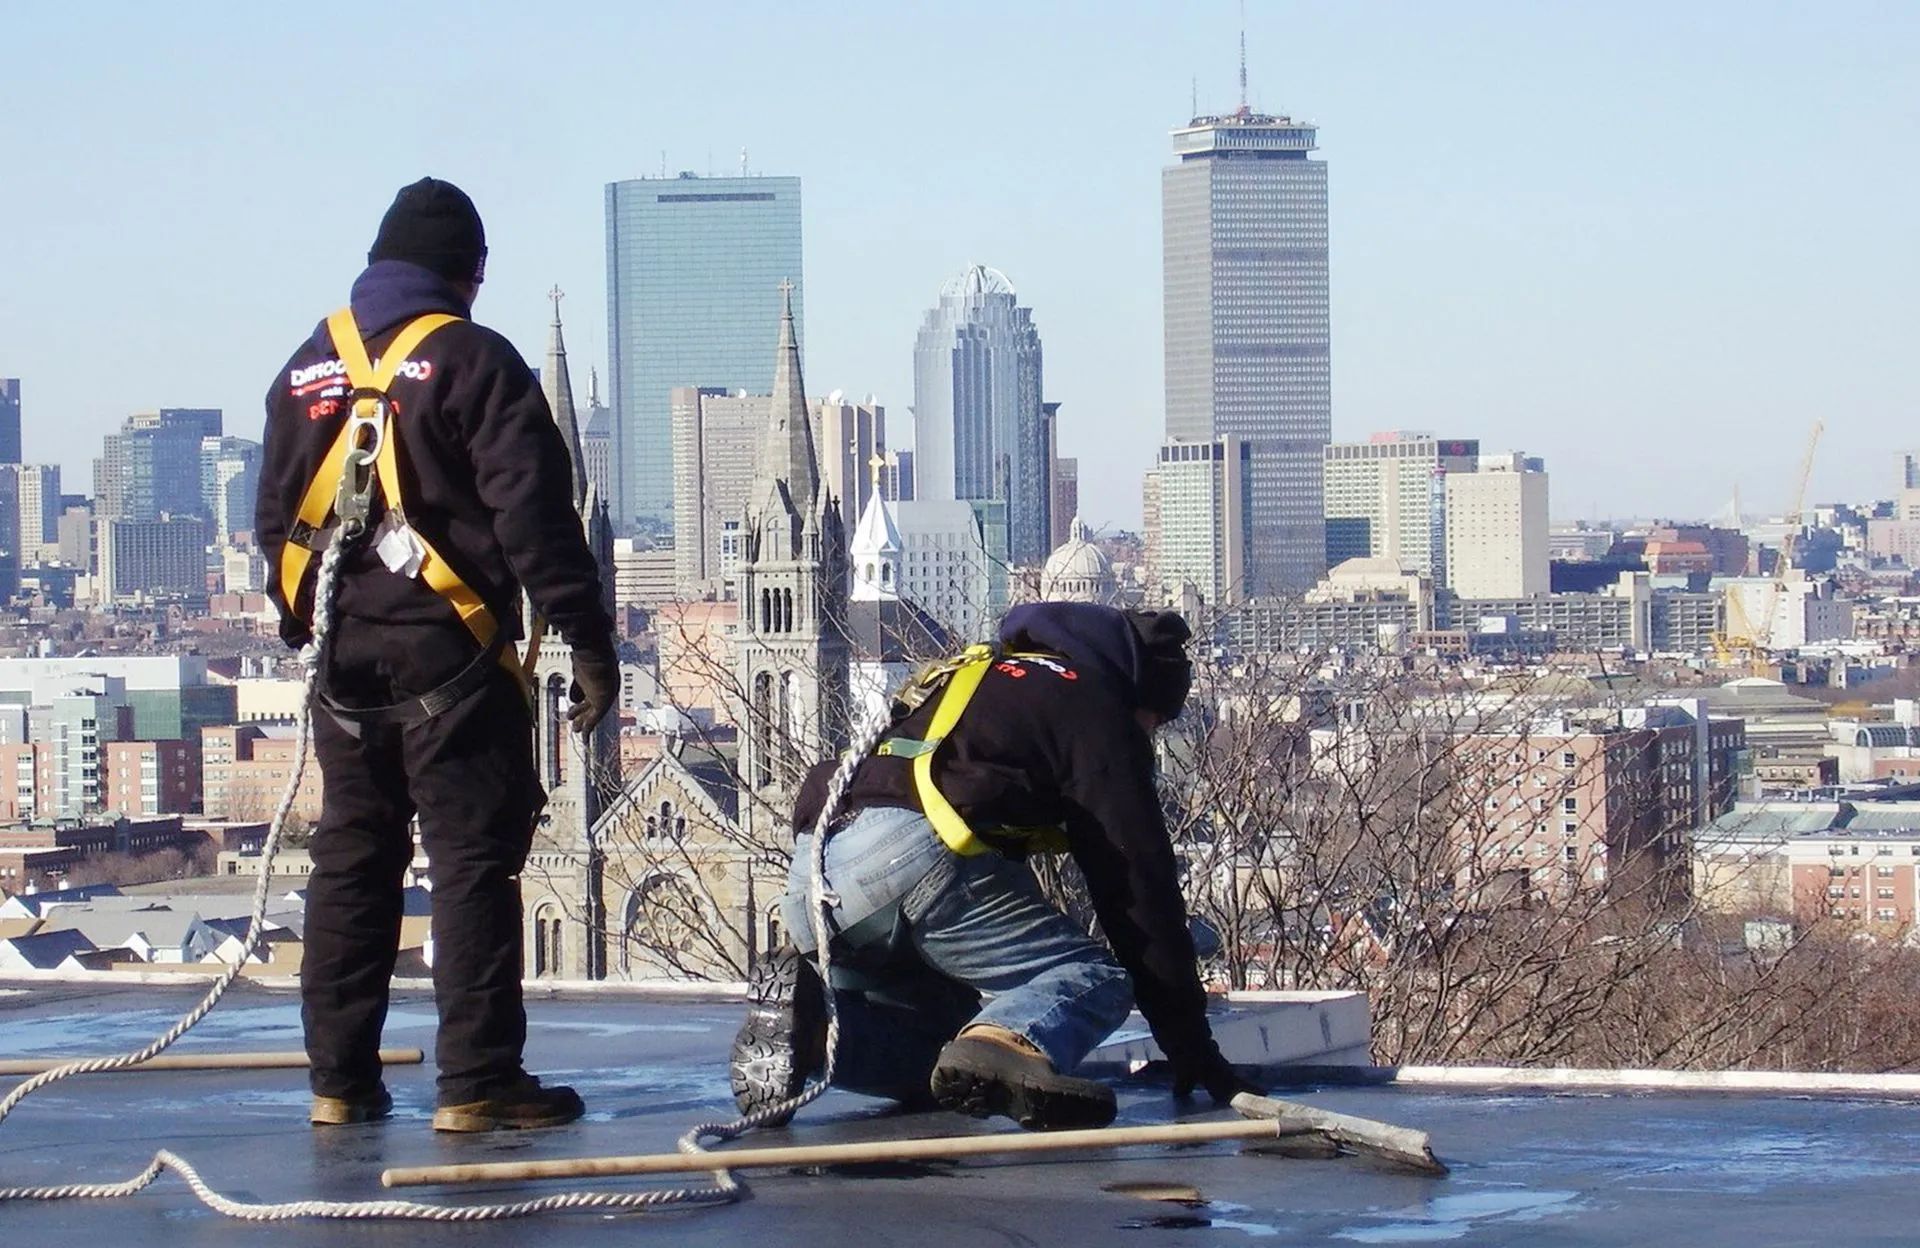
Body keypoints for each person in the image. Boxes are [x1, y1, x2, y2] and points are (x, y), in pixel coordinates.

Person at [256, 177, 620, 1132]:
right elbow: (534, 518)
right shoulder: (476, 362)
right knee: (470, 862)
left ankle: (338, 1081)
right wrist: (586, 639)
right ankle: (478, 1081)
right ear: (472, 271)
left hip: (342, 667)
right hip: (451, 663)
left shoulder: (305, 368)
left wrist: (308, 625)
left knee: (353, 860)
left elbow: (272, 521)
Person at [730, 601, 1258, 1131]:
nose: (1150, 736)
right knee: (1096, 977)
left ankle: (808, 1034)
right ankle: (1006, 1045)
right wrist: (1191, 1046)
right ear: (1140, 692)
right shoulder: (1094, 707)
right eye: (1155, 722)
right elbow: (1140, 892)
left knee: (943, 1039)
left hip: (814, 878)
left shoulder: (972, 673)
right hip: (913, 860)